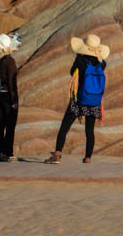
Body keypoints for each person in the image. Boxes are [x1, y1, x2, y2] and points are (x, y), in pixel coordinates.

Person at [45, 34, 109, 164]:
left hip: (78, 99)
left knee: (65, 126)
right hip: (94, 101)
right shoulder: (102, 63)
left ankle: (57, 155)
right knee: (89, 131)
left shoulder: (80, 60)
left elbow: (72, 72)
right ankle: (88, 158)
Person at [0, 33, 20, 162]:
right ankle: (8, 153)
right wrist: (14, 100)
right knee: (10, 126)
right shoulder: (9, 61)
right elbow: (11, 82)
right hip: (9, 96)